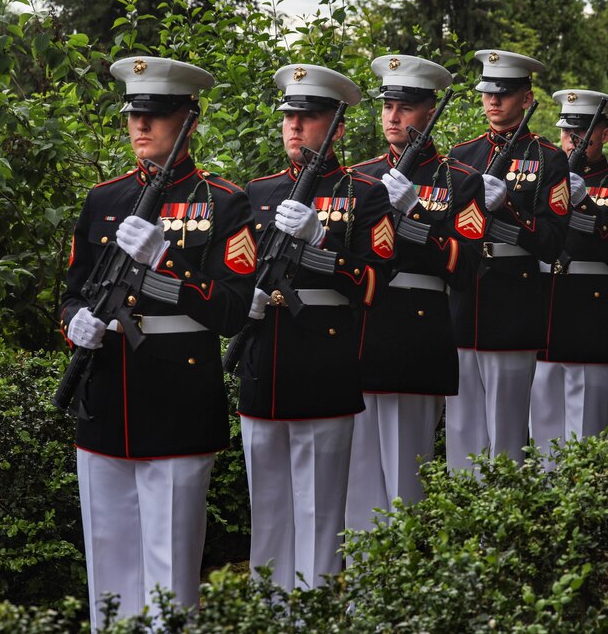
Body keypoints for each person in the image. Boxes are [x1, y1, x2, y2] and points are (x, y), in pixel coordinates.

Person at [60, 55, 256, 628]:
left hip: (177, 395)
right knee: (109, 569)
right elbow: (73, 292)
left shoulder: (223, 201)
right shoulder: (104, 199)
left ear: (188, 121)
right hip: (104, 397)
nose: (140, 126)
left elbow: (234, 308)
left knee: (169, 572)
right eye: (133, 114)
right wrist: (75, 323)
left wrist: (165, 262)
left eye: (157, 115)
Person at [235, 63, 393, 590]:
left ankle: (316, 607)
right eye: (288, 118)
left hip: (325, 367)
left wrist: (322, 241)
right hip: (262, 365)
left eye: (309, 117)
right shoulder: (255, 193)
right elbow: (234, 272)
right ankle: (270, 613)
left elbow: (375, 281)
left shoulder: (366, 193)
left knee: (323, 517)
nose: (295, 128)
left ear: (338, 127)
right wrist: (245, 300)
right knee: (270, 519)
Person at [346, 55, 485, 532]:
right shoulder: (357, 177)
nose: (393, 116)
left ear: (429, 111)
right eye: (387, 105)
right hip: (359, 334)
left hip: (416, 334)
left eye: (405, 106)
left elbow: (466, 267)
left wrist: (416, 218)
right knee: (358, 483)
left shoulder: (458, 180)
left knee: (408, 483)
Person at [447, 49, 570, 470]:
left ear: (526, 97)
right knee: (462, 426)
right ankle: (463, 520)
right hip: (465, 299)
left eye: (505, 93)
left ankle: (504, 522)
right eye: (487, 92)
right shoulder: (461, 156)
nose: (493, 101)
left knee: (507, 430)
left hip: (513, 301)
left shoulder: (548, 158)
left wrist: (511, 212)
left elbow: (555, 242)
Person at [529, 89, 608, 459]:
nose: (574, 142)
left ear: (606, 135)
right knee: (542, 426)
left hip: (594, 313)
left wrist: (587, 206)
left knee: (589, 432)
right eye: (568, 133)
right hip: (545, 308)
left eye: (585, 134)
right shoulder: (542, 181)